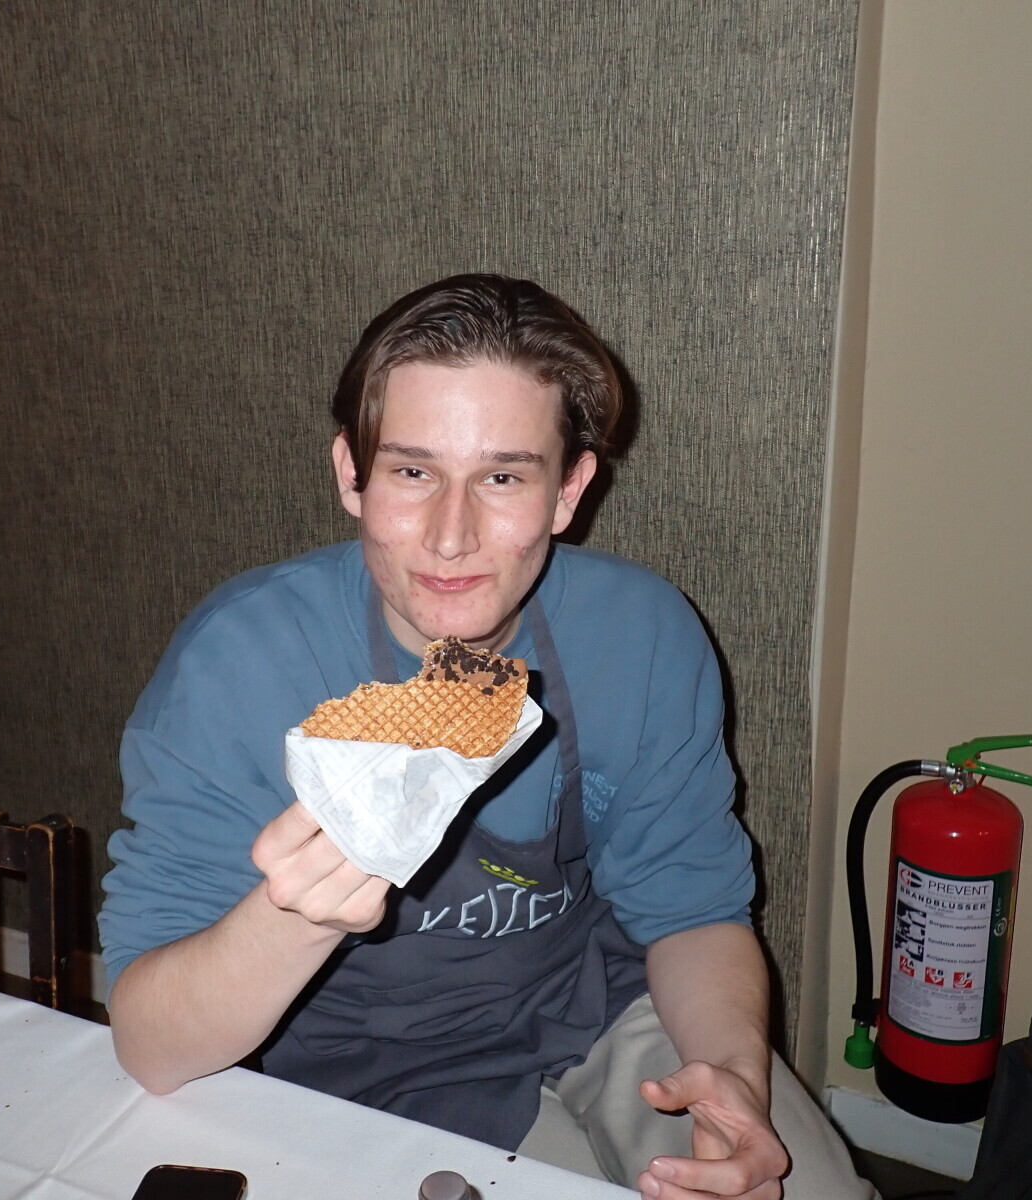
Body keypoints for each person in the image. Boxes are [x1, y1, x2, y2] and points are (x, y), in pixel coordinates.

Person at [99, 274, 874, 1199]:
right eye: (412, 472)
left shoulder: (642, 633)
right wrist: (294, 917)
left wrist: (733, 1080)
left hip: (604, 1003)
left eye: (503, 477)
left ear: (569, 490)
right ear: (350, 474)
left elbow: (692, 909)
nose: (451, 536)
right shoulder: (243, 663)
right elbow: (149, 1046)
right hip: (368, 1069)